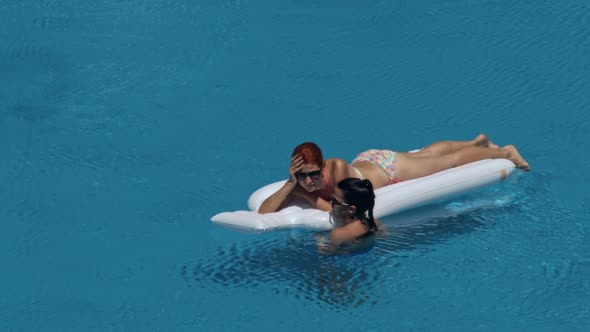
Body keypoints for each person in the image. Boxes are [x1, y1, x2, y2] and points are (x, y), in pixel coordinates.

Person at [258, 134, 529, 214]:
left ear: (322, 166)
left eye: (313, 174)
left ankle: (505, 152)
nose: (309, 182)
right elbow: (264, 212)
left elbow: (343, 208)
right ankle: (476, 143)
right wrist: (289, 186)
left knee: (448, 161)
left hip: (388, 169)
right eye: (302, 176)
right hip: (367, 159)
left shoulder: (337, 168)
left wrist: (311, 200)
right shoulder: (299, 182)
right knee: (428, 153)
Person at [328, 178, 380, 246]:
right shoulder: (374, 223)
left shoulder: (338, 234)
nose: (330, 202)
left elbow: (327, 253)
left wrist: (319, 238)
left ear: (351, 210)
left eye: (335, 201)